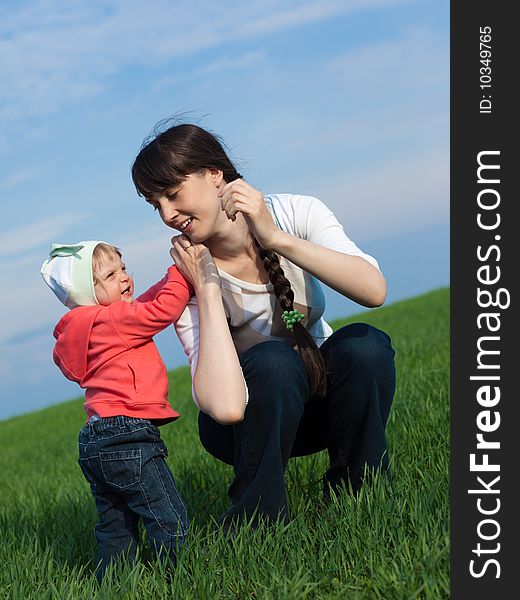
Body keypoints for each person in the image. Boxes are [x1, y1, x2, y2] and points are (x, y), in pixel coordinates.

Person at [131, 122, 396, 531]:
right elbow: (225, 407)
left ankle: (362, 493)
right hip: (245, 426)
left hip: (323, 399)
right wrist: (205, 288)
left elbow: (373, 290)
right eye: (155, 204)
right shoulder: (185, 277)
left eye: (172, 194)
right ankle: (260, 522)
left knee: (365, 345)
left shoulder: (295, 213)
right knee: (272, 360)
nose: (167, 215)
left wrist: (275, 238)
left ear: (215, 175)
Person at [41, 240, 194, 581]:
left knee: (115, 527)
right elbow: (161, 310)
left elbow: (143, 303)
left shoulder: (85, 327)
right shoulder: (112, 321)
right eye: (111, 274)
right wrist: (183, 272)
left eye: (123, 268)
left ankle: (113, 583)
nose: (125, 277)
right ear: (88, 292)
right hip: (128, 435)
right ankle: (185, 578)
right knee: (167, 516)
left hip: (95, 438)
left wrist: (166, 280)